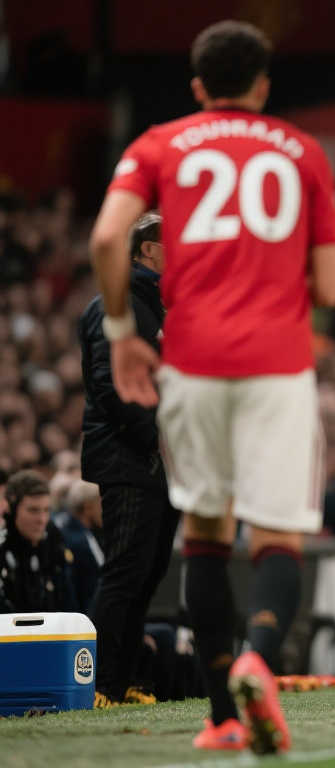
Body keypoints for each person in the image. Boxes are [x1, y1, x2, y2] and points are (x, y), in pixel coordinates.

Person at [88, 20, 335, 753]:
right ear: (263, 85)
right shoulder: (303, 152)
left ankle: (223, 716)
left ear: (198, 85)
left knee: (205, 534)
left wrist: (122, 333)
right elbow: (330, 283)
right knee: (276, 536)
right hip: (277, 364)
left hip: (192, 363)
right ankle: (259, 660)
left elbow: (106, 239)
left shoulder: (158, 144)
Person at [80, 212, 179, 709]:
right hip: (130, 459)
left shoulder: (165, 306)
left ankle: (124, 680)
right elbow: (109, 384)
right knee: (123, 572)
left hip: (164, 462)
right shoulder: (115, 306)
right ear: (147, 250)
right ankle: (96, 682)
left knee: (147, 574)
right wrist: (154, 436)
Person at [0, 469, 77, 613]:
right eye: (33, 510)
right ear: (12, 509)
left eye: (46, 510)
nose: (42, 519)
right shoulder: (3, 549)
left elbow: (69, 603)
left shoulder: (53, 540)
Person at [56, 479, 104, 614]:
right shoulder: (79, 542)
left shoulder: (74, 531)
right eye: (101, 503)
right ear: (88, 507)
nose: (105, 509)